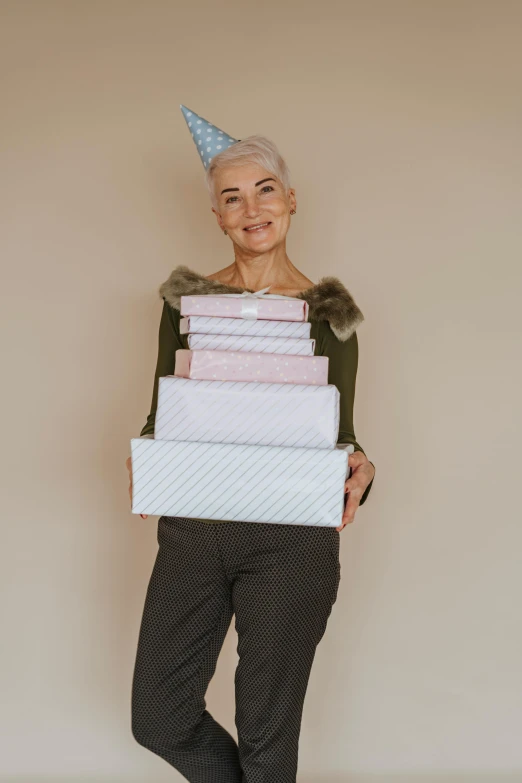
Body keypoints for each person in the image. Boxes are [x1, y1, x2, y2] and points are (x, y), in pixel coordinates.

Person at [126, 107, 375, 783]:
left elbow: (340, 428)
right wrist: (148, 458)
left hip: (291, 537)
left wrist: (363, 467)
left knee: (265, 735)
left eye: (265, 188)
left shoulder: (334, 309)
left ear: (291, 200)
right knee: (158, 714)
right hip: (194, 530)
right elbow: (162, 412)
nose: (251, 207)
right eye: (231, 196)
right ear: (216, 215)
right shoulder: (183, 303)